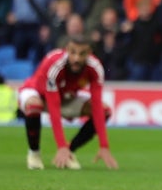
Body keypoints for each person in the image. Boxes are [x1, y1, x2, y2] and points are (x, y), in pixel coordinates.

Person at [17, 34, 118, 170]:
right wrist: (60, 145)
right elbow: (54, 107)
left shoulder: (95, 68)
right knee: (34, 106)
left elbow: (96, 106)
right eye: (73, 52)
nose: (76, 58)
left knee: (105, 110)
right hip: (37, 93)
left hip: (66, 97)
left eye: (82, 54)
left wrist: (104, 145)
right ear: (66, 50)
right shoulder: (55, 65)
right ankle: (34, 153)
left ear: (89, 53)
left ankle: (69, 151)